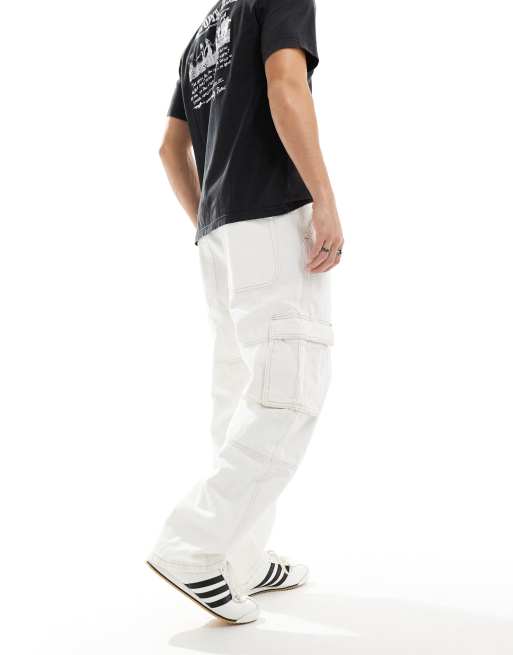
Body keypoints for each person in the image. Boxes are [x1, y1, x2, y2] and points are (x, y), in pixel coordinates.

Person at [148, 0, 343, 625]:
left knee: (239, 396)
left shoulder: (206, 29)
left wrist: (213, 223)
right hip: (270, 217)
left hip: (219, 231)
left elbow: (170, 148)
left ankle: (242, 557)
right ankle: (194, 542)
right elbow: (286, 86)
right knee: (289, 393)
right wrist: (324, 199)